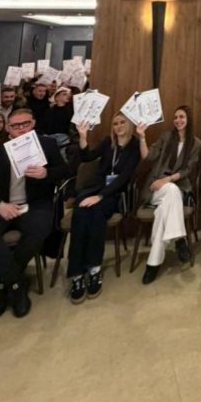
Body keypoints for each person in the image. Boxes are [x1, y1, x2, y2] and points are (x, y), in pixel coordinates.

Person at [0, 107, 68, 319]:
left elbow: (65, 171)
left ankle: (2, 284)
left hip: (34, 205)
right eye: (15, 126)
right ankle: (15, 283)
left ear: (33, 124)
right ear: (8, 128)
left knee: (40, 227)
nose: (21, 129)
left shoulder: (47, 144)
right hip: (0, 207)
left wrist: (46, 173)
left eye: (26, 124)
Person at [67, 113, 140, 303]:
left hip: (115, 194)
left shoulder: (134, 145)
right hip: (95, 188)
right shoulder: (108, 142)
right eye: (115, 123)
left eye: (122, 122)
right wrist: (83, 137)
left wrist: (100, 197)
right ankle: (76, 273)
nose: (119, 126)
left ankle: (94, 269)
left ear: (129, 125)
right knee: (80, 213)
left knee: (97, 214)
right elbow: (87, 156)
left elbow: (124, 177)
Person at [137, 105, 200, 283]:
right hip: (156, 187)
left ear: (188, 119)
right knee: (171, 192)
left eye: (182, 117)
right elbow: (148, 157)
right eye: (176, 117)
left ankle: (153, 263)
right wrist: (142, 137)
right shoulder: (166, 137)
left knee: (163, 212)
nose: (178, 120)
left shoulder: (196, 143)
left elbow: (188, 170)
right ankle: (179, 239)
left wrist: (168, 180)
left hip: (176, 187)